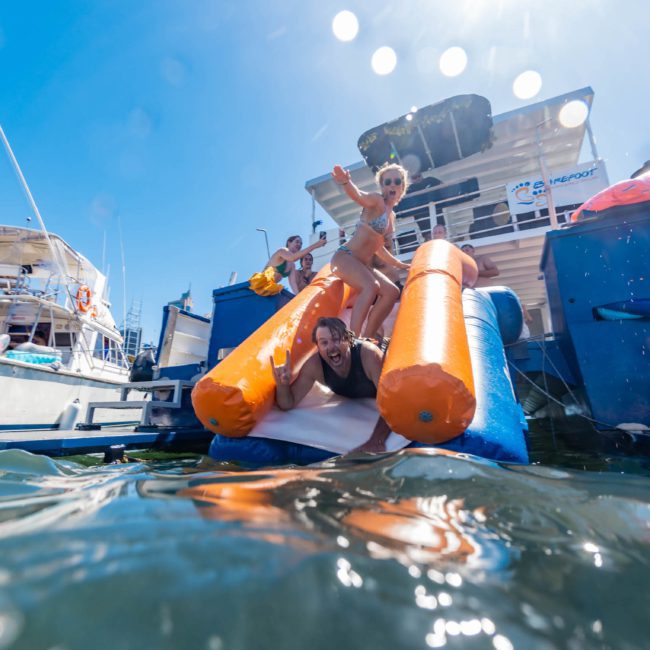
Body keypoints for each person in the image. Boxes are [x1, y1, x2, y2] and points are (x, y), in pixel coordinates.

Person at [270, 317, 390, 452]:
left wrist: (376, 440)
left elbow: (393, 402)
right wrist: (282, 385)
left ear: (348, 340)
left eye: (336, 339)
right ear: (318, 347)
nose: (331, 347)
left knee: (379, 340)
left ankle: (379, 331)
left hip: (382, 350)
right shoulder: (315, 366)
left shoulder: (369, 356)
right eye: (324, 343)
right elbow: (287, 404)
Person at [330, 163, 410, 337]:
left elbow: (378, 248)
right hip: (345, 256)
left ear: (402, 186)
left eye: (397, 181)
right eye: (387, 181)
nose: (392, 185)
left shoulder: (392, 216)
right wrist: (345, 183)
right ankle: (353, 340)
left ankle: (367, 337)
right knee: (370, 286)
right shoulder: (376, 201)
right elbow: (359, 196)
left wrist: (400, 264)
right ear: (382, 186)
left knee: (391, 292)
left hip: (363, 264)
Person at [249, 234, 326, 296]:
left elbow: (293, 283)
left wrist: (297, 297)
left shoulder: (292, 265)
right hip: (258, 287)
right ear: (289, 242)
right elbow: (292, 257)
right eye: (297, 241)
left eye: (301, 244)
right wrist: (316, 245)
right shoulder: (282, 251)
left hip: (269, 290)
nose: (299, 244)